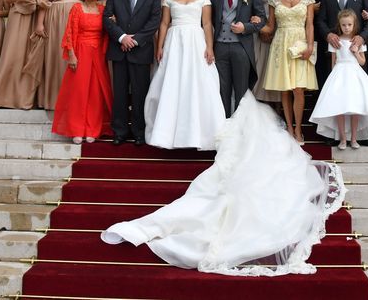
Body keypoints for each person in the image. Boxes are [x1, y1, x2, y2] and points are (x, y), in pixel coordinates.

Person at [100, 93, 344, 276]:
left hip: (237, 141)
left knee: (214, 201)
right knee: (212, 198)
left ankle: (156, 227)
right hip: (231, 152)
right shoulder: (255, 132)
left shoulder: (253, 128)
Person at [145, 0, 226, 150]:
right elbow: (164, 23)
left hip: (196, 42)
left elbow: (207, 24)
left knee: (198, 82)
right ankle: (167, 132)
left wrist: (209, 47)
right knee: (172, 81)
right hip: (174, 43)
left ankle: (201, 133)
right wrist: (160, 46)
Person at [314, 0, 368, 138]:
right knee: (336, 97)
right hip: (336, 51)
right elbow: (320, 21)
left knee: (358, 97)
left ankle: (362, 135)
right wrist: (328, 34)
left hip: (355, 50)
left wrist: (362, 38)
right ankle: (335, 135)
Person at [103, 0, 163, 145]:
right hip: (119, 50)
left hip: (141, 51)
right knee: (120, 93)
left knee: (140, 93)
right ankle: (119, 132)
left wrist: (134, 40)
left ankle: (139, 132)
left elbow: (154, 22)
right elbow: (107, 19)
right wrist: (122, 38)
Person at [309, 8, 368, 149]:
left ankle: (354, 139)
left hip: (355, 75)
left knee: (355, 107)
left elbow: (362, 62)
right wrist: (333, 80)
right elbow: (333, 62)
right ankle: (343, 139)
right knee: (340, 107)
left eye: (349, 25)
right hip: (339, 75)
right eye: (344, 25)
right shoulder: (335, 41)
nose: (347, 27)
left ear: (354, 24)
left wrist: (356, 52)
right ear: (339, 25)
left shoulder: (358, 41)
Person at [260, 0, 318, 144]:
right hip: (281, 44)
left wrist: (310, 46)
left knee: (298, 89)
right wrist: (254, 24)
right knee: (285, 88)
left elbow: (310, 24)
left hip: (300, 43)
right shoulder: (274, 0)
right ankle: (290, 128)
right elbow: (270, 26)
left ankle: (299, 129)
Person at [53, 0, 113, 143]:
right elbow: (70, 32)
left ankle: (92, 129)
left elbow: (108, 32)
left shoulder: (104, 10)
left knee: (95, 92)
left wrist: (113, 21)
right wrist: (71, 55)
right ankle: (77, 129)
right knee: (78, 92)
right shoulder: (77, 8)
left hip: (98, 54)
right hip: (80, 52)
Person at [209, 0, 267, 117]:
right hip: (220, 46)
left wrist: (245, 27)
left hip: (241, 47)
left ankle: (240, 123)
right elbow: (209, 20)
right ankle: (224, 122)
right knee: (222, 89)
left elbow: (262, 19)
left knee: (241, 89)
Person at [34, 0, 86, 110]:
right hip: (55, 18)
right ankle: (53, 99)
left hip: (77, 19)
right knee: (56, 55)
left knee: (75, 56)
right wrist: (39, 24)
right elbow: (44, 2)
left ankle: (74, 99)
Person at [249, 0, 284, 103]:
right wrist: (261, 28)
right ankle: (261, 103)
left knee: (278, 65)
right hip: (262, 29)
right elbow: (253, 7)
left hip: (281, 28)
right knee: (262, 64)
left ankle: (279, 105)